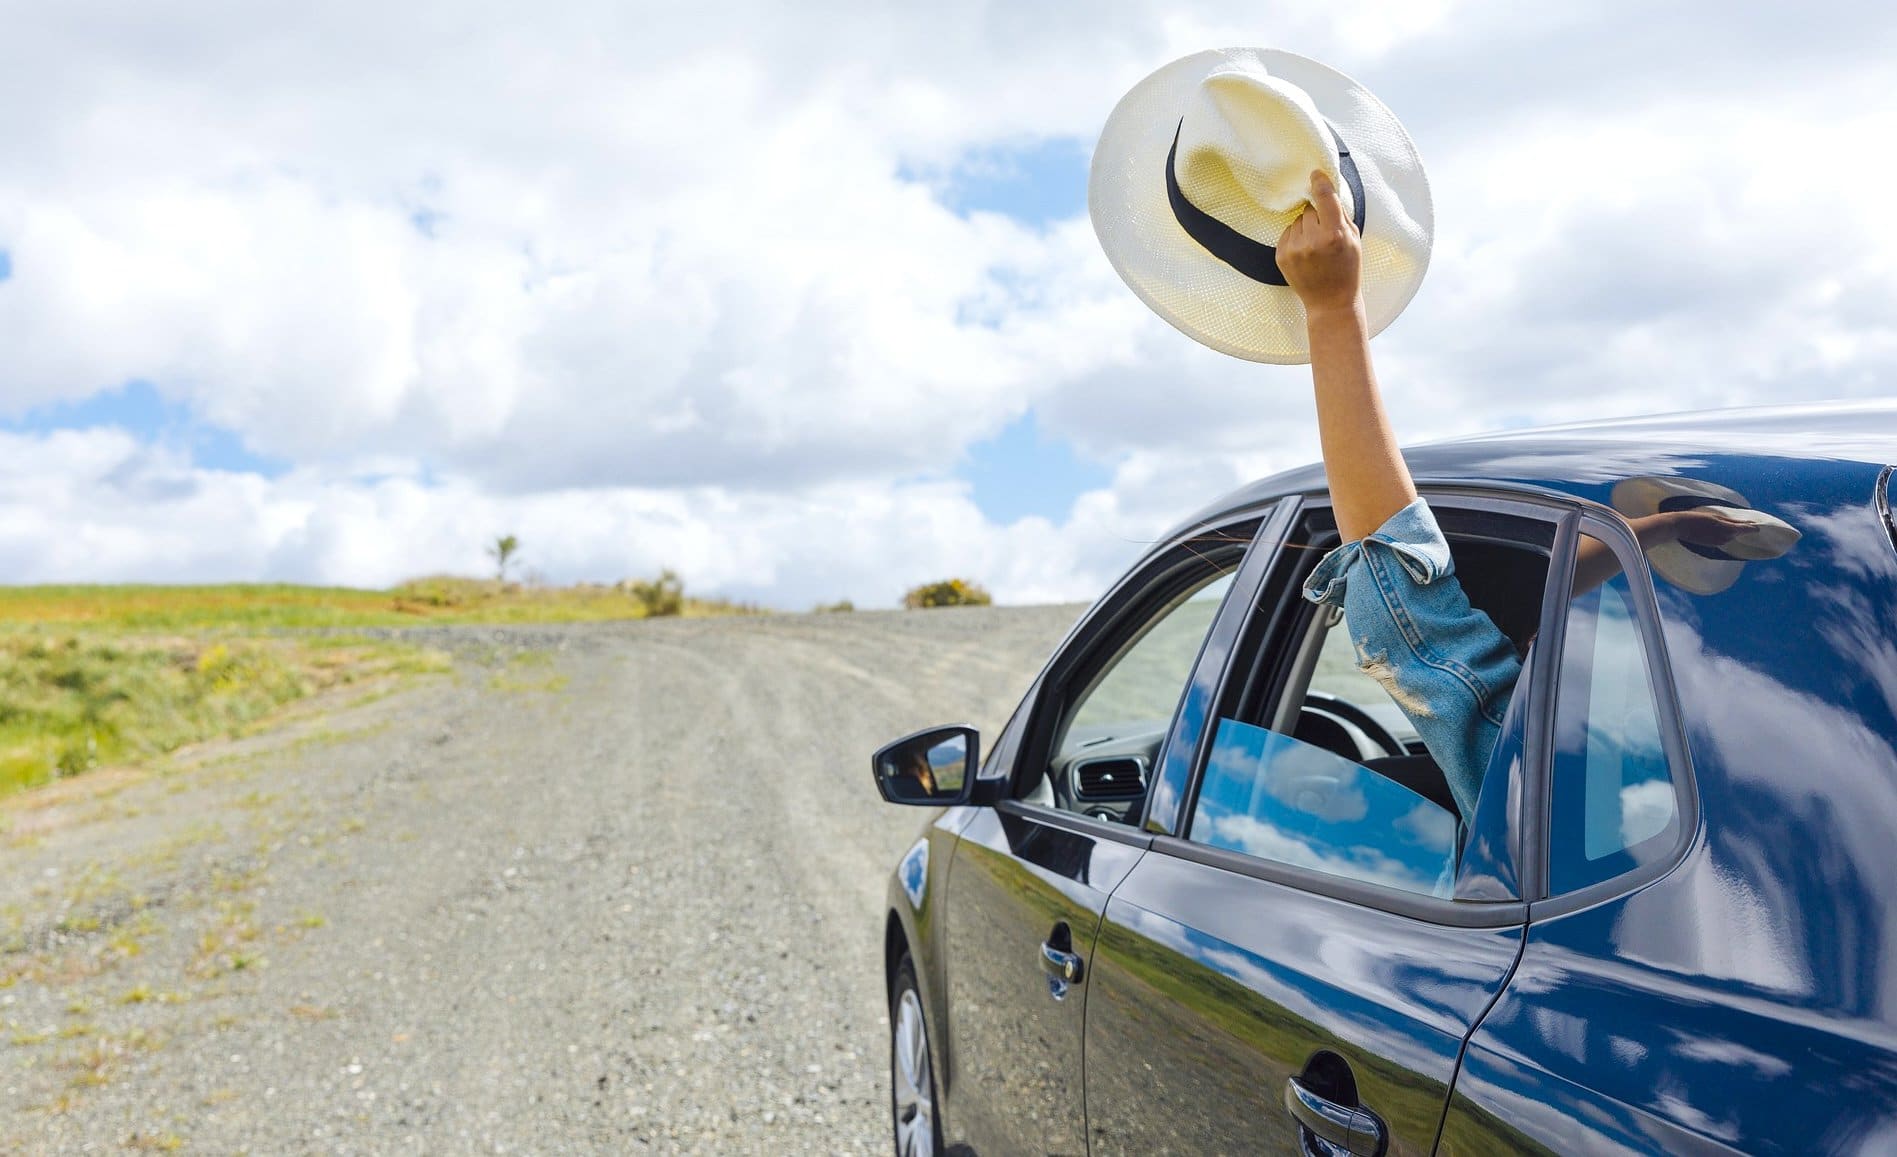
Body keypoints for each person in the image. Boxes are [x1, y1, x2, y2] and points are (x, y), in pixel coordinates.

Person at [1274, 171, 1751, 825]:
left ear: (1524, 645)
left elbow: (1405, 613)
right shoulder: (1725, 766)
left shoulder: (1541, 782)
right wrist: (1652, 532)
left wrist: (1331, 313)